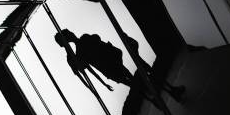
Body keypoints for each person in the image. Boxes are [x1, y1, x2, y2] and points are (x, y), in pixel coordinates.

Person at [55, 29, 184, 100]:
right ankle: (167, 92)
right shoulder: (81, 49)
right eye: (69, 34)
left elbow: (90, 66)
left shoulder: (82, 46)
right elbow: (89, 69)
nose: (72, 33)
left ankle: (166, 93)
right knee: (139, 81)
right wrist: (103, 84)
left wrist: (103, 83)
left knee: (138, 82)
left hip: (112, 65)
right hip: (112, 66)